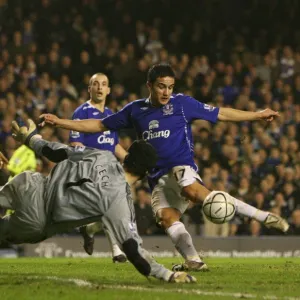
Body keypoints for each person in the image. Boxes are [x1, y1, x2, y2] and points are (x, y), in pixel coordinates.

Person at [40, 64, 289, 272]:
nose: (166, 92)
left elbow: (221, 113)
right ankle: (194, 260)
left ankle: (263, 216)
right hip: (157, 177)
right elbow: (98, 125)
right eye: (161, 86)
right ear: (149, 85)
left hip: (182, 167)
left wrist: (256, 115)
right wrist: (60, 122)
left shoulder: (183, 104)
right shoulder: (135, 110)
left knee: (194, 192)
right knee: (166, 217)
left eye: (170, 87)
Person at [0, 119, 196, 283]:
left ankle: (89, 228)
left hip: (30, 185)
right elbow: (134, 252)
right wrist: (168, 275)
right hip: (38, 220)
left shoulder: (104, 156)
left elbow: (58, 152)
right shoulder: (119, 202)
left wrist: (31, 138)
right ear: (145, 173)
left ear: (127, 156)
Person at [69, 72, 128, 263]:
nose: (100, 88)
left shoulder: (111, 115)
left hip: (111, 170)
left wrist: (129, 158)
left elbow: (114, 144)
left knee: (108, 211)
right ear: (89, 89)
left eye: (104, 84)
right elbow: (75, 144)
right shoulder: (81, 113)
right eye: (96, 84)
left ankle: (89, 229)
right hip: (90, 169)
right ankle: (117, 250)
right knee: (109, 207)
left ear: (109, 90)